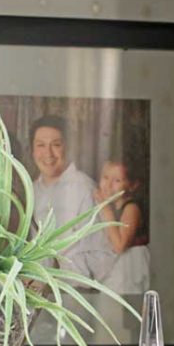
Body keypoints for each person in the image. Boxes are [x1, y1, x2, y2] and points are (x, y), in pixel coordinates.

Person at [30, 116, 113, 280]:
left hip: (76, 294)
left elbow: (103, 259)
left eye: (56, 145)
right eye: (40, 145)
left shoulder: (85, 189)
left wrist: (56, 273)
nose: (48, 153)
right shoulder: (30, 191)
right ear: (32, 150)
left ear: (68, 148)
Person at [94, 159, 150, 294]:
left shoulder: (131, 208)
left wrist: (104, 209)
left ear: (132, 185)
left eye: (117, 180)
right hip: (116, 273)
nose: (108, 185)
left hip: (130, 270)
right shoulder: (114, 207)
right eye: (105, 177)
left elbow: (119, 245)